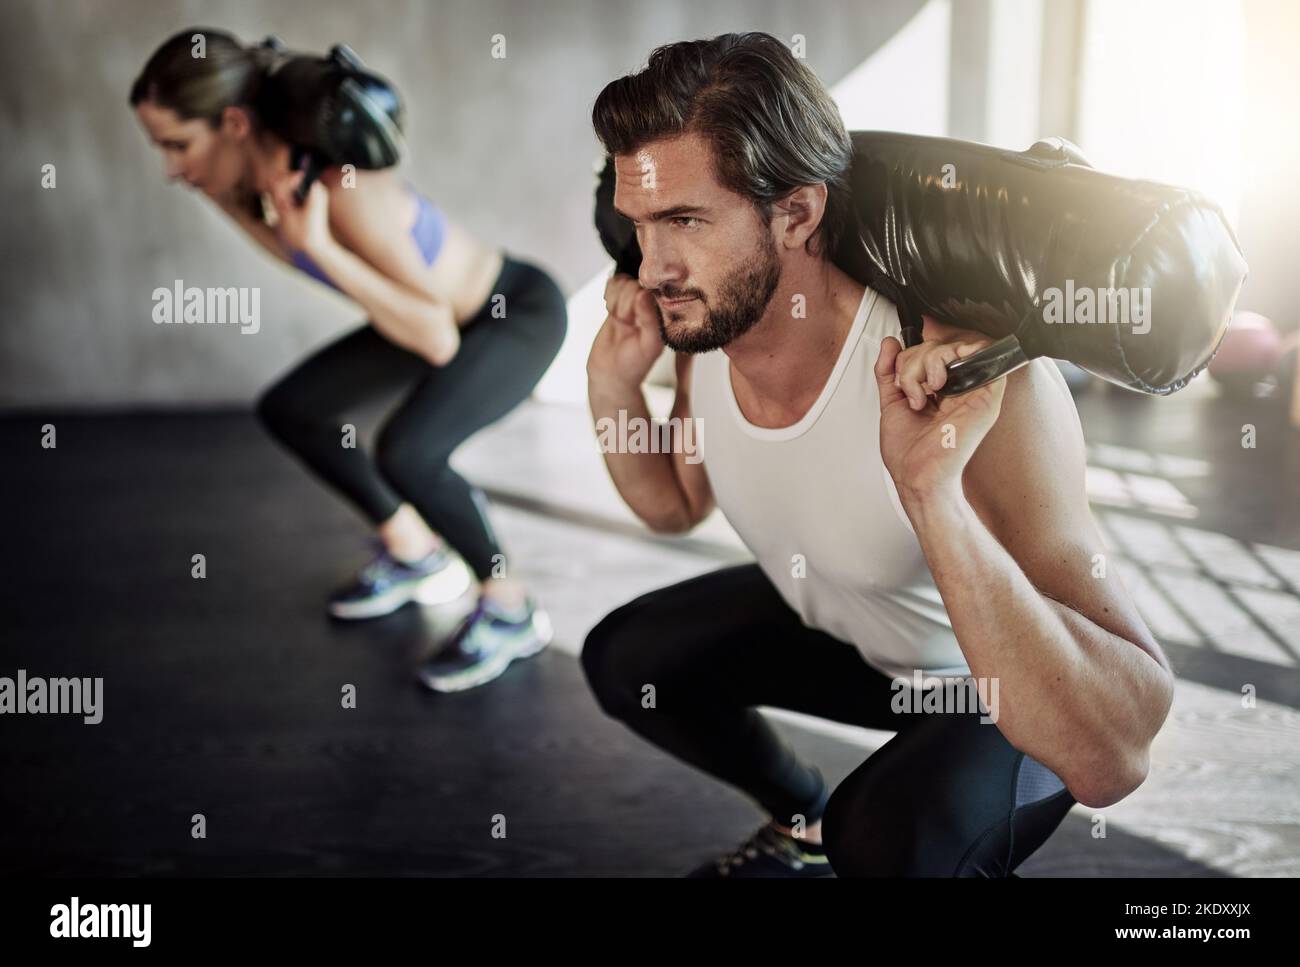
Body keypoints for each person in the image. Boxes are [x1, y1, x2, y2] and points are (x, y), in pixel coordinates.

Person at [581, 32, 1174, 876]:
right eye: (640, 225)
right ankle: (800, 822)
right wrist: (613, 391)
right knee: (627, 658)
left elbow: (1117, 751)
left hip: (995, 691)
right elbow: (675, 504)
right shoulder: (701, 322)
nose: (653, 266)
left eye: (683, 220)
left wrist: (930, 491)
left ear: (796, 212)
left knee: (886, 841)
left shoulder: (974, 382)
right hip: (855, 641)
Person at [130, 29, 567, 692]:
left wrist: (322, 246)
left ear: (234, 123)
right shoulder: (247, 182)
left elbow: (436, 337)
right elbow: (300, 259)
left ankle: (512, 608)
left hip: (511, 314)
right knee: (294, 410)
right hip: (428, 318)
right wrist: (250, 210)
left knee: (411, 451)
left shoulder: (345, 185)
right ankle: (415, 553)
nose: (167, 168)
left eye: (176, 145)